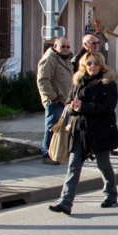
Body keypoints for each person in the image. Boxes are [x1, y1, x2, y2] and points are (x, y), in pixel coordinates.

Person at [48, 52, 118, 215]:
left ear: (101, 65)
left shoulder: (108, 83)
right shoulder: (78, 82)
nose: (92, 66)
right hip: (80, 130)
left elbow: (108, 108)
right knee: (74, 166)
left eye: (95, 63)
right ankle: (65, 202)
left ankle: (111, 194)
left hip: (100, 131)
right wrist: (73, 107)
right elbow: (68, 103)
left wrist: (84, 107)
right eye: (89, 63)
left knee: (103, 165)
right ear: (83, 65)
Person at [36, 36, 72, 165]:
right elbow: (43, 81)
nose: (66, 49)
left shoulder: (66, 60)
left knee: (61, 130)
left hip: (65, 101)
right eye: (62, 46)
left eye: (68, 47)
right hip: (55, 102)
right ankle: (47, 155)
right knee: (52, 128)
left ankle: (57, 153)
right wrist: (53, 97)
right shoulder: (49, 59)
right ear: (55, 47)